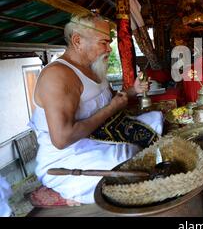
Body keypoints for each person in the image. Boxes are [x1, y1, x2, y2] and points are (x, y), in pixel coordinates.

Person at [28, 14, 163, 204]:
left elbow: (111, 99)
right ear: (78, 41)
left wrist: (134, 90)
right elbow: (62, 139)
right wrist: (112, 108)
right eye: (104, 42)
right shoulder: (57, 75)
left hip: (102, 136)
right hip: (69, 156)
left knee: (157, 120)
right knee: (128, 164)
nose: (109, 48)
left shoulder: (93, 67)